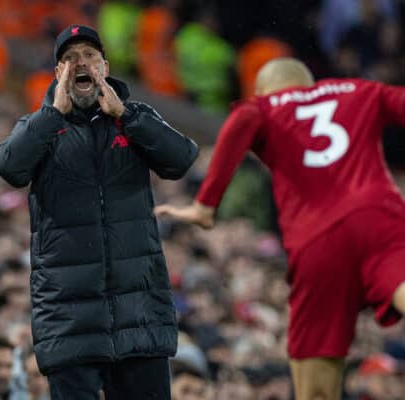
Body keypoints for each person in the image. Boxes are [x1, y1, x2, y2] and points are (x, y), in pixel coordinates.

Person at [155, 57, 405, 400]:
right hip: (379, 214)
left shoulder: (264, 106)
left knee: (314, 373)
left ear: (264, 89)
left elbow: (240, 121)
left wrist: (205, 205)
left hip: (316, 237)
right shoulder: (359, 89)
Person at [0, 24, 198, 400]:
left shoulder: (135, 117)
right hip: (70, 319)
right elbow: (7, 166)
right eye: (69, 59)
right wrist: (53, 115)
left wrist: (127, 116)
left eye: (88, 56)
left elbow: (181, 159)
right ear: (58, 74)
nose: (79, 64)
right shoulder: (40, 126)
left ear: (105, 65)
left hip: (139, 314)